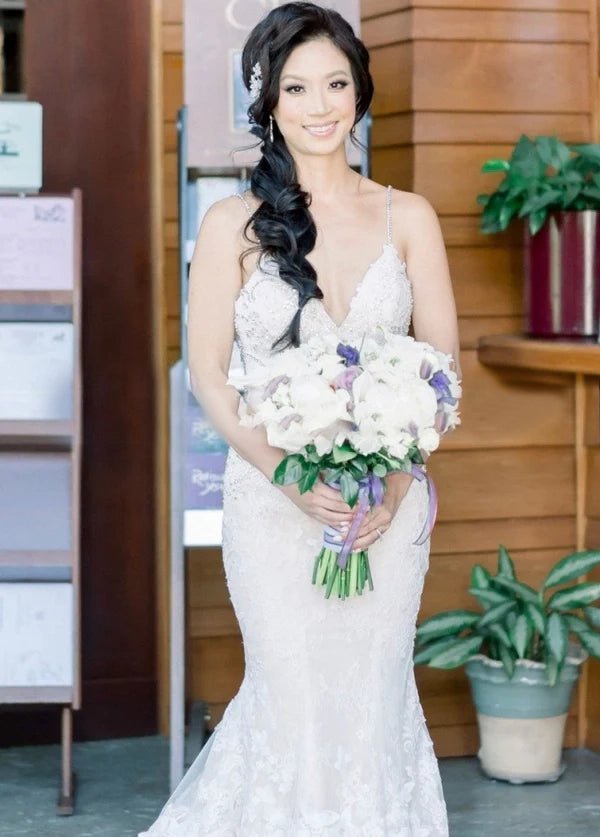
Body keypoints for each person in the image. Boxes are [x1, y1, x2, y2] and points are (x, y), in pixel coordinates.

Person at [142, 2, 460, 834]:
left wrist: (395, 486)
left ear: (359, 93)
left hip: (387, 516)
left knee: (374, 700)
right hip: (274, 509)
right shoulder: (232, 225)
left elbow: (441, 374)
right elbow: (209, 375)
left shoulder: (410, 217)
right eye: (296, 88)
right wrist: (285, 473)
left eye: (335, 84)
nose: (320, 106)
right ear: (269, 103)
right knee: (291, 704)